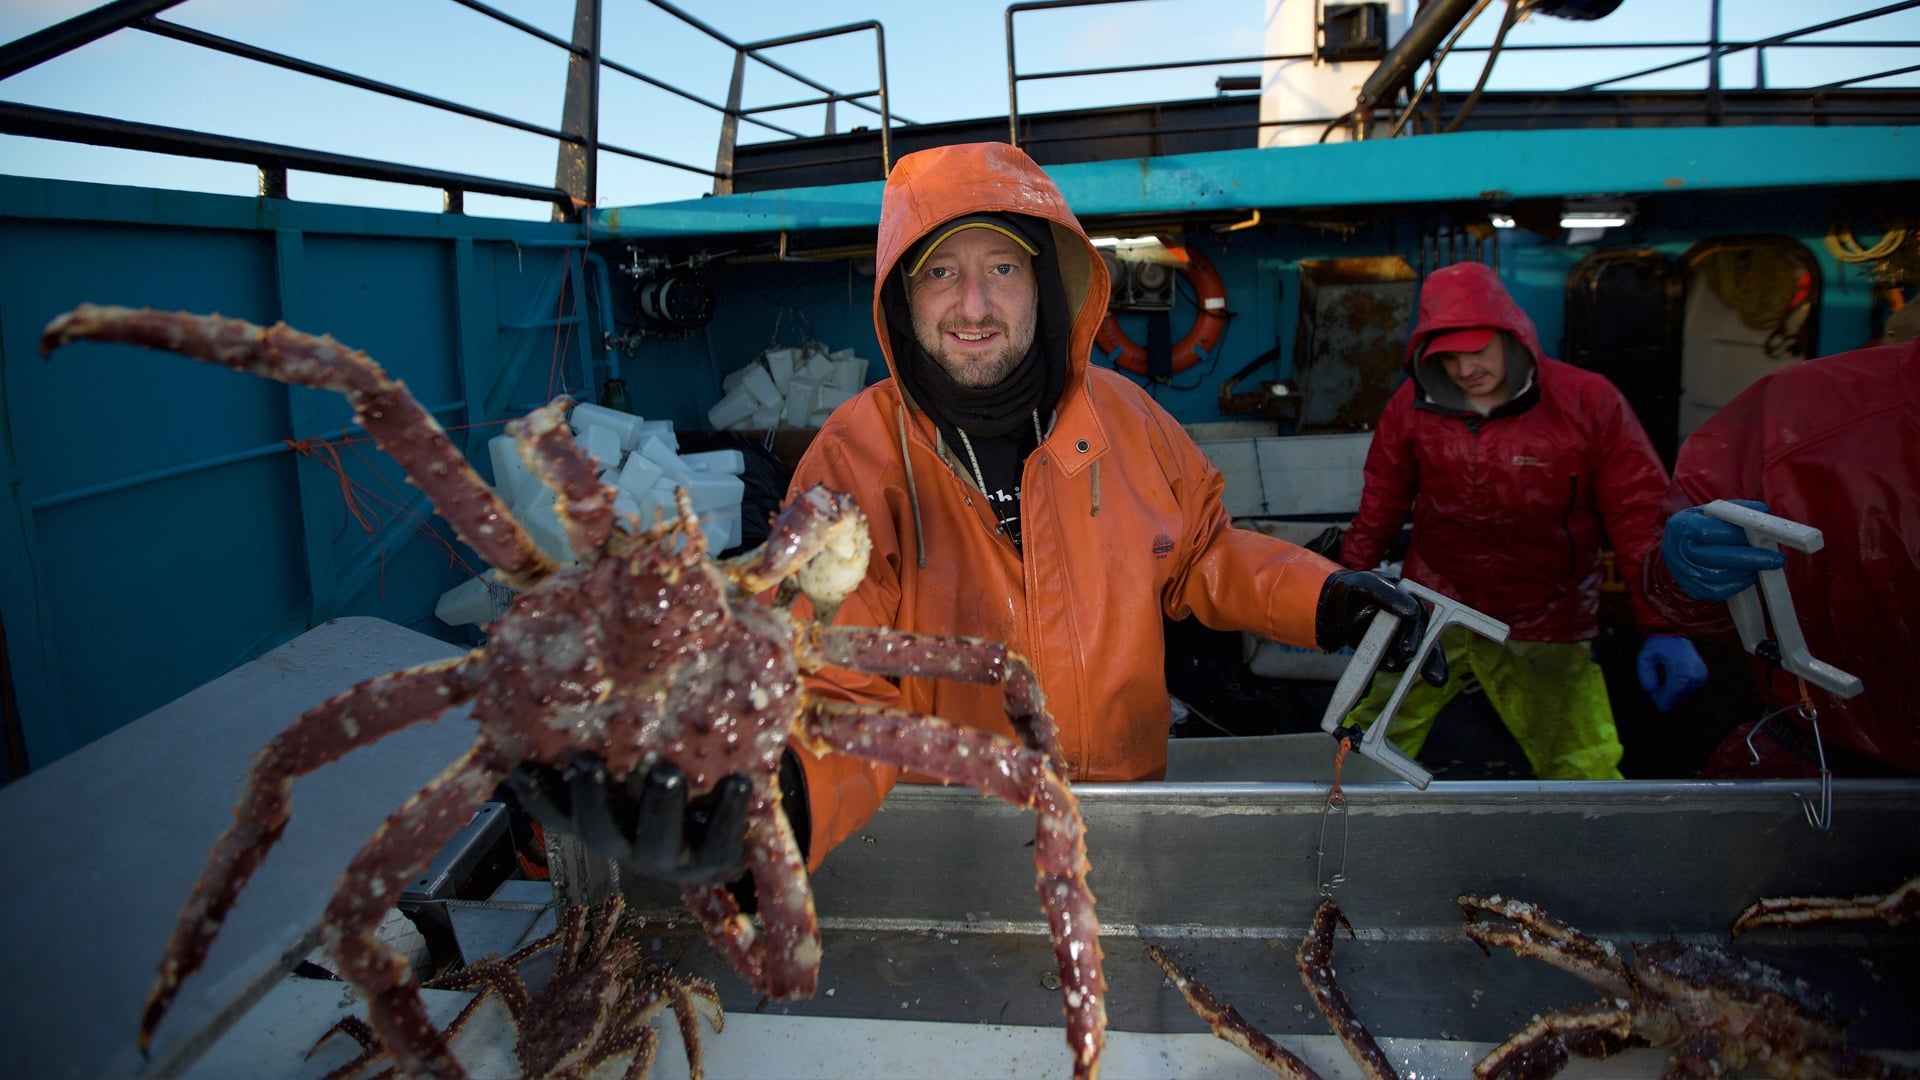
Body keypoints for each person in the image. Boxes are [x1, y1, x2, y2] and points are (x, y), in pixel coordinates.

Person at [511, 141, 1444, 883]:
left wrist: (1328, 600)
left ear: (1047, 283)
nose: (973, 304)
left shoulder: (1127, 416)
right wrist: (780, 800)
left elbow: (1200, 556)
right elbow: (836, 673)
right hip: (954, 845)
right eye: (938, 273)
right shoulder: (855, 454)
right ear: (899, 298)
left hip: (1130, 819)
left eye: (1003, 267)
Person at [1336, 260, 1708, 780]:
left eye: (1479, 350)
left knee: (1585, 768)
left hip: (1545, 618)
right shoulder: (1410, 407)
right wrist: (1343, 588)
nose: (1467, 370)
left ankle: (1599, 849)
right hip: (1435, 607)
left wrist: (1664, 623)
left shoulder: (1589, 401)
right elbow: (1381, 500)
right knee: (1360, 743)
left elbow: (1637, 513)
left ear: (1512, 337)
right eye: (1449, 358)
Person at [1644, 331, 1919, 778]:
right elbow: (1666, 551)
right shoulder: (1801, 407)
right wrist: (1676, 587)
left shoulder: (1586, 399)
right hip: (1822, 762)